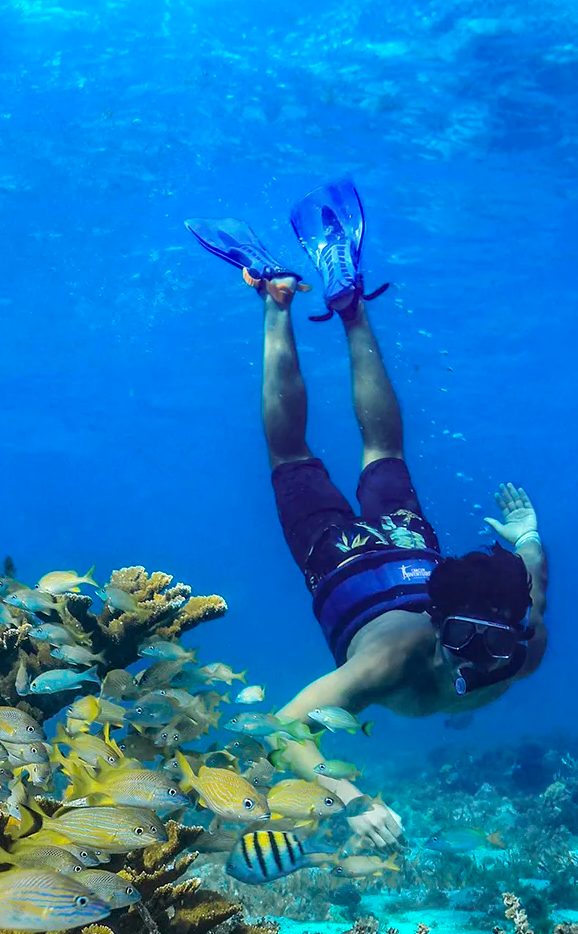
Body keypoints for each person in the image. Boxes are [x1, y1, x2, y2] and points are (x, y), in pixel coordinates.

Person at [187, 179, 548, 849]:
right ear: (438, 628)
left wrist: (528, 537)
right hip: (343, 557)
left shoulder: (524, 647)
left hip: (411, 550)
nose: (485, 662)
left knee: (374, 448)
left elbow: (533, 579)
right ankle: (281, 303)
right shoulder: (393, 664)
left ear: (516, 630)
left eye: (500, 646)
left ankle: (335, 307)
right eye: (470, 646)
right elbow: (285, 724)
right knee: (293, 452)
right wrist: (349, 798)